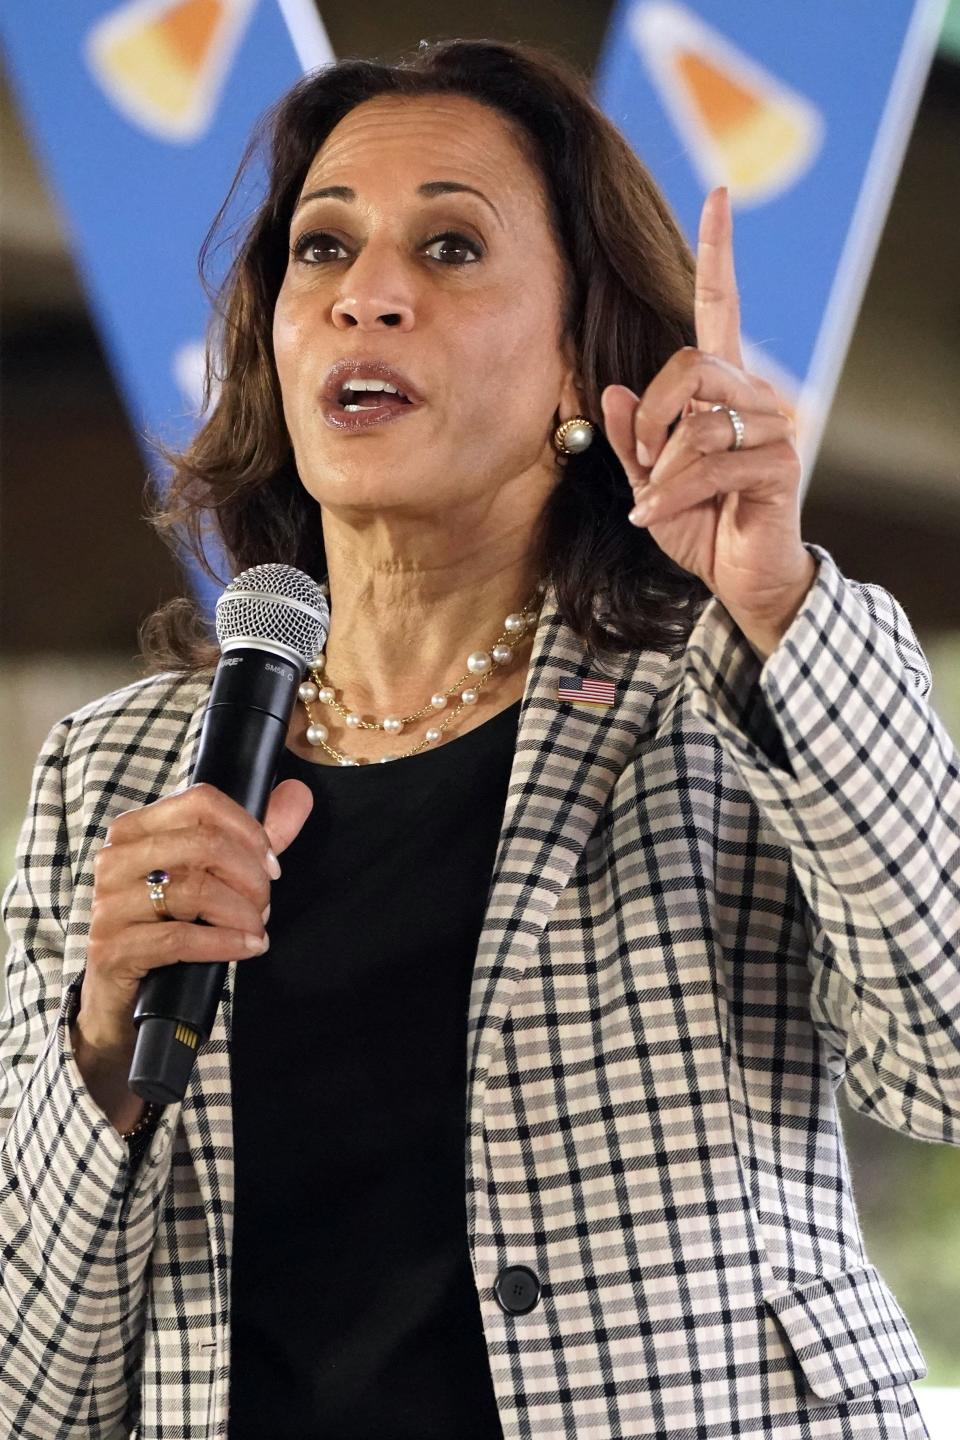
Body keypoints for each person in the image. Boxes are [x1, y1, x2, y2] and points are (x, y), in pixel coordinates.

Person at [1, 36, 957, 1440]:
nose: (366, 297)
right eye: (321, 252)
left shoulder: (728, 689)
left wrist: (776, 602)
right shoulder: (114, 771)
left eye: (450, 249)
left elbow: (943, 1065)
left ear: (583, 365)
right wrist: (96, 1047)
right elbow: (34, 1384)